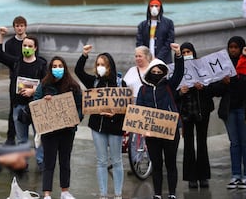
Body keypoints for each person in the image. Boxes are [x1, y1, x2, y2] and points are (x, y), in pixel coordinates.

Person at [75, 45, 125, 199]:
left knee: (117, 161)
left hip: (115, 127)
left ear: (110, 66)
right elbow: (78, 71)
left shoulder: (120, 83)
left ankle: (118, 194)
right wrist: (84, 55)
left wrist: (114, 114)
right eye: (98, 64)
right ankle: (103, 194)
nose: (100, 67)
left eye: (103, 64)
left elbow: (126, 107)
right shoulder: (94, 82)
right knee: (101, 161)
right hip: (98, 127)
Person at [136, 43, 184, 199]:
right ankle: (157, 194)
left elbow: (179, 72)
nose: (156, 74)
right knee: (156, 164)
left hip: (170, 132)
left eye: (159, 72)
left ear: (163, 73)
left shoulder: (170, 85)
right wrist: (144, 130)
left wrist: (178, 55)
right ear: (149, 72)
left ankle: (171, 194)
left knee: (170, 164)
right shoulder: (143, 89)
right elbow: (139, 111)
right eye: (154, 71)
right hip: (151, 134)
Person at [0, 34, 47, 170]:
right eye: (25, 45)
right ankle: (22, 163)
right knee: (21, 138)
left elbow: (47, 85)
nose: (27, 48)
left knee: (39, 137)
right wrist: (1, 35)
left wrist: (34, 91)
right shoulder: (16, 62)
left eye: (30, 46)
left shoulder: (41, 64)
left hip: (36, 107)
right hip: (19, 106)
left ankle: (41, 162)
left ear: (35, 48)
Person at [34, 56, 82, 199]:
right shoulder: (44, 84)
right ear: (50, 69)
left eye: (60, 66)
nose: (57, 69)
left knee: (65, 161)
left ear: (65, 68)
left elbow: (80, 107)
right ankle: (47, 193)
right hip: (50, 131)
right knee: (49, 162)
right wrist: (43, 101)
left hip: (67, 131)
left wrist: (76, 120)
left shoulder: (73, 86)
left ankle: (65, 191)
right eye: (54, 66)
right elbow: (35, 101)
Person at [177, 42, 216, 189]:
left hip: (202, 111)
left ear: (193, 52)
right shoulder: (178, 70)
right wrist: (181, 92)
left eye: (189, 51)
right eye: (184, 52)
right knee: (188, 145)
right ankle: (191, 178)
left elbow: (213, 88)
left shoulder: (202, 67)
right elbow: (173, 93)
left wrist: (203, 87)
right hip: (186, 112)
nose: (187, 54)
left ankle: (203, 176)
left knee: (201, 143)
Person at [0, 16, 28, 146]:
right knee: (14, 109)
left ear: (25, 26)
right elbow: (2, 56)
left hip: (30, 81)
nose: (19, 28)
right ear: (14, 27)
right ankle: (11, 137)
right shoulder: (9, 44)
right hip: (15, 81)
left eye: (22, 25)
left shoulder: (31, 41)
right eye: (17, 26)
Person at [218, 36, 246, 189]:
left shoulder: (245, 63)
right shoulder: (223, 65)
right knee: (234, 143)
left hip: (243, 108)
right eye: (231, 47)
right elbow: (216, 90)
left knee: (244, 142)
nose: (233, 50)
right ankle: (236, 175)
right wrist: (223, 83)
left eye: (236, 47)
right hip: (229, 110)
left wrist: (237, 79)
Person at [136, 0, 174, 64]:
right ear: (149, 8)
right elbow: (139, 43)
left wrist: (158, 57)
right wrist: (146, 56)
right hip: (147, 61)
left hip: (164, 60)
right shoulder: (142, 25)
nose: (154, 8)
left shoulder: (168, 23)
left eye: (156, 6)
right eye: (151, 6)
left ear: (160, 8)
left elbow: (169, 41)